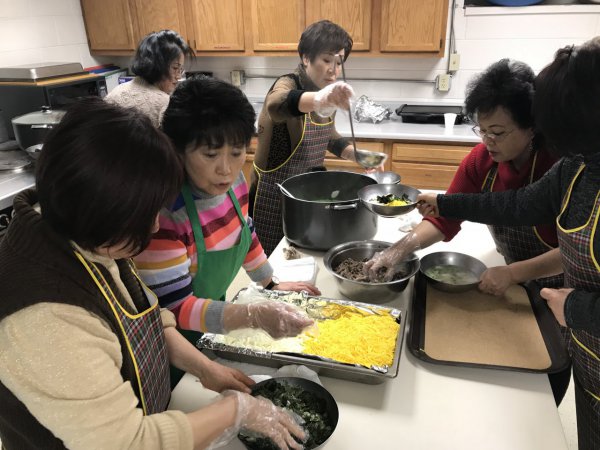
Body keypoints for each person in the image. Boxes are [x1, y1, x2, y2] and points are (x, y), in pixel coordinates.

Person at [0, 98, 307, 450]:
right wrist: (234, 410)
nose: (156, 226)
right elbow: (126, 443)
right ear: (102, 211)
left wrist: (204, 369)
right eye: (144, 216)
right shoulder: (46, 315)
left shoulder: (91, 233)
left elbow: (144, 317)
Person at [416, 37, 600, 448]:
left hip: (570, 311)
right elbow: (517, 205)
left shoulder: (566, 157)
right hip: (587, 353)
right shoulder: (578, 165)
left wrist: (573, 305)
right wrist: (445, 203)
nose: (488, 140)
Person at [365, 58, 570, 405]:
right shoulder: (480, 161)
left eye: (498, 132)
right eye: (481, 129)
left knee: (546, 378)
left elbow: (574, 250)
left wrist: (515, 273)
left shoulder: (558, 166)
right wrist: (398, 250)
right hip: (510, 281)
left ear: (531, 126)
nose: (488, 141)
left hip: (564, 286)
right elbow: (445, 218)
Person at [133, 76, 320, 375]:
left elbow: (244, 231)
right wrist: (252, 316)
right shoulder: (165, 217)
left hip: (214, 322)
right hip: (174, 348)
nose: (226, 169)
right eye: (210, 154)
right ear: (178, 150)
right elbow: (175, 308)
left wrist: (270, 284)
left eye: (236, 152)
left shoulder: (234, 184)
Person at [249, 19, 383, 255]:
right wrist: (321, 99)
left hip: (308, 197)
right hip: (274, 198)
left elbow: (327, 135)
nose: (334, 70)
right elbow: (276, 104)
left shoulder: (326, 90)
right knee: (273, 261)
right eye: (327, 60)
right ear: (306, 58)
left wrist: (355, 155)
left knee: (305, 257)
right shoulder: (287, 83)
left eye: (339, 62)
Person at [105, 29, 192, 127]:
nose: (179, 76)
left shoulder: (116, 91)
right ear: (158, 66)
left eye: (181, 69)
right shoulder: (164, 103)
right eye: (175, 68)